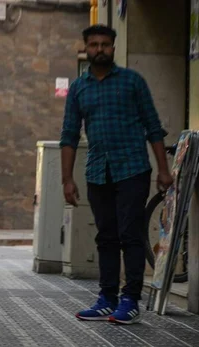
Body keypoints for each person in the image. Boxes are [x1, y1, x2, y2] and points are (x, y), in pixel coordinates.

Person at [60, 25, 174, 325]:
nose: (100, 49)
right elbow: (69, 136)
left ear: (113, 47)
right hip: (98, 171)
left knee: (130, 234)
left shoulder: (132, 82)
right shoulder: (78, 89)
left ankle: (130, 300)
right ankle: (106, 299)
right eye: (94, 44)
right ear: (86, 48)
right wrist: (66, 179)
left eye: (106, 45)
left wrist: (163, 169)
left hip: (132, 168)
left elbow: (153, 126)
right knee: (106, 237)